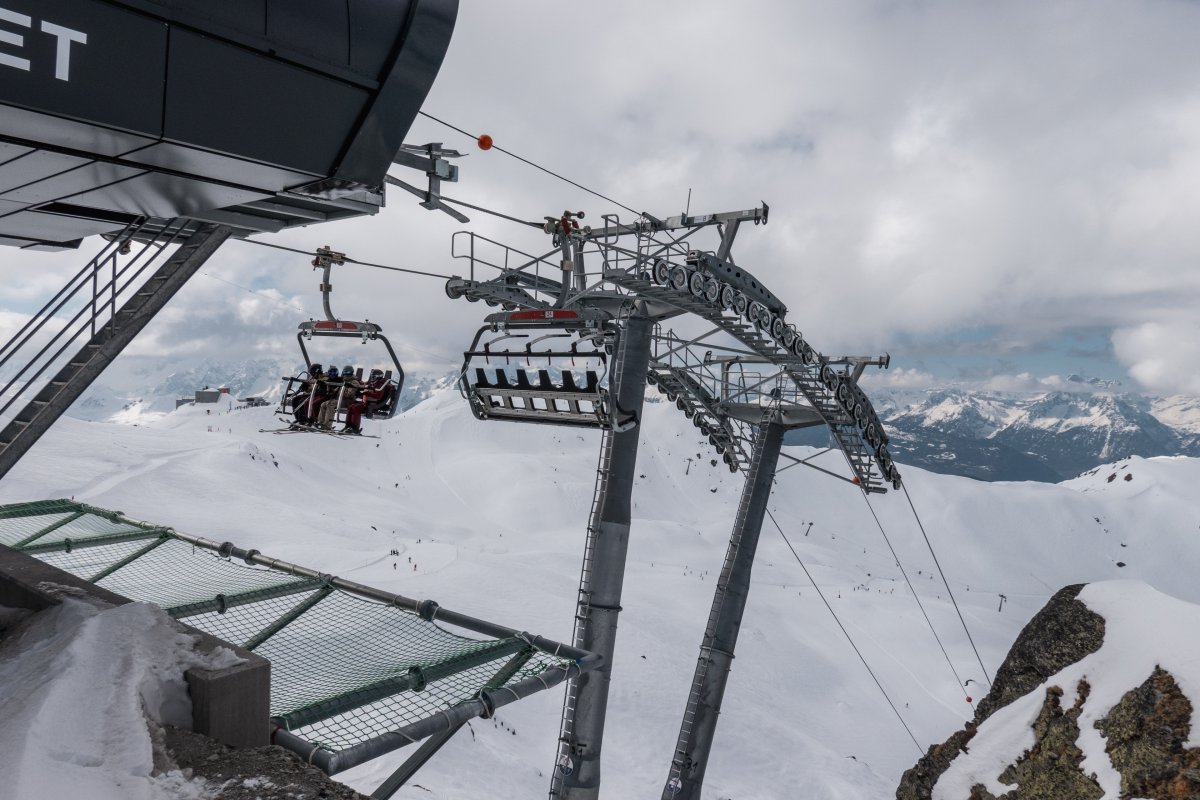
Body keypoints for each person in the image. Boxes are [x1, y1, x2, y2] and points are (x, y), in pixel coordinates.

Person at [344, 368, 392, 434]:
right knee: (351, 407)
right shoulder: (373, 383)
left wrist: (365, 393)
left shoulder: (381, 385)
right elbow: (364, 387)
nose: (372, 378)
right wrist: (354, 387)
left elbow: (378, 396)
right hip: (367, 402)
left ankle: (355, 428)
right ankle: (348, 426)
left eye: (373, 376)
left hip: (373, 404)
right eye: (372, 376)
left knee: (356, 408)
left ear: (378, 377)